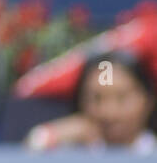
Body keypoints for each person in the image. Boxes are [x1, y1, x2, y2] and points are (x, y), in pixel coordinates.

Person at [25, 50, 157, 154]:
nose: (109, 112)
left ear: (148, 100)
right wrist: (54, 134)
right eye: (97, 99)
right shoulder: (71, 152)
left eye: (122, 98)